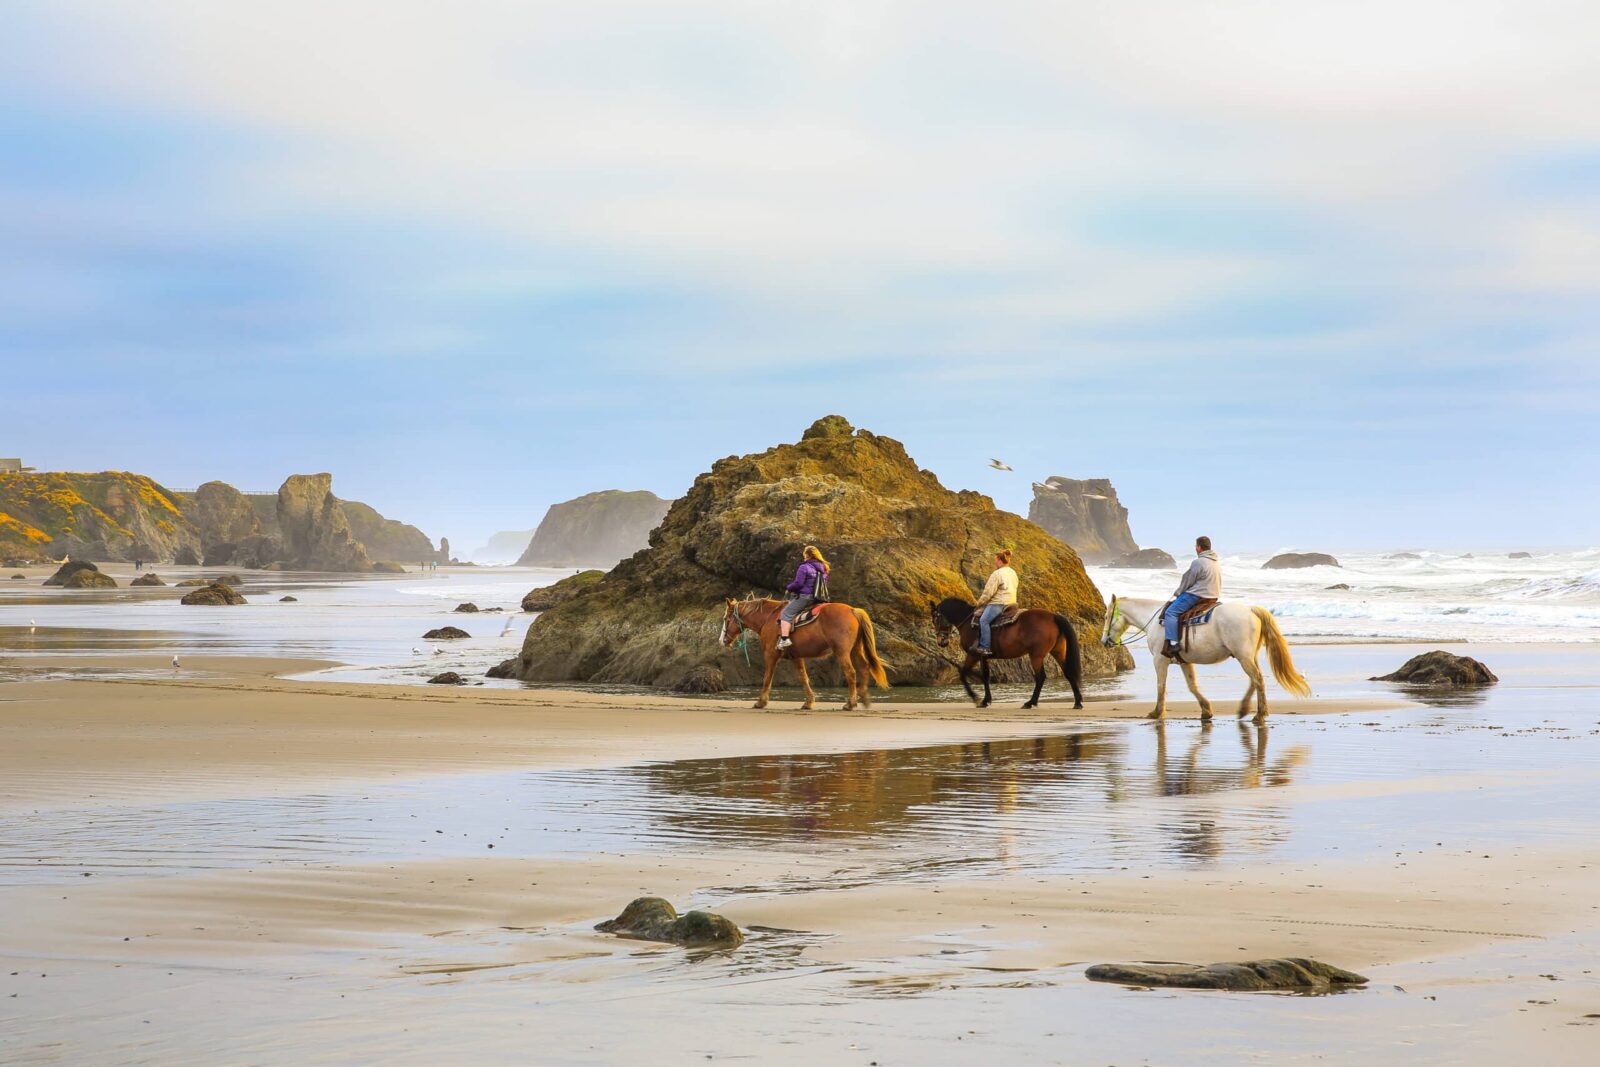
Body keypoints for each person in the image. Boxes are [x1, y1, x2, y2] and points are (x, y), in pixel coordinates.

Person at [1163, 536, 1221, 661]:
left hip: (1198, 595)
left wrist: (1178, 592)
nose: (1195, 548)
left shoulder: (1198, 562)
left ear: (1199, 547)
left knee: (1170, 612)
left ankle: (1174, 643)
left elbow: (1188, 580)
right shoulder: (1215, 561)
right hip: (1213, 596)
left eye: (1196, 546)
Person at [777, 545, 830, 650]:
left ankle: (784, 639)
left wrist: (789, 588)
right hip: (819, 598)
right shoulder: (824, 568)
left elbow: (799, 583)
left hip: (806, 597)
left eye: (804, 555)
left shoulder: (804, 567)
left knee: (786, 613)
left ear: (806, 555)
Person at [971, 550, 1019, 656]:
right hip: (1012, 603)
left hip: (999, 603)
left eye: (995, 560)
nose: (995, 563)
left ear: (999, 560)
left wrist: (979, 603)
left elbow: (988, 593)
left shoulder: (997, 574)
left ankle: (985, 647)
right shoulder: (1013, 572)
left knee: (983, 621)